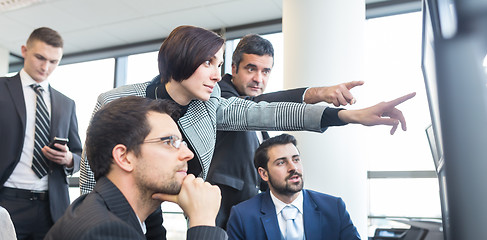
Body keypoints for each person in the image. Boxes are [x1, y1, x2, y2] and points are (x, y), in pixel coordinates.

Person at [79, 25, 414, 237]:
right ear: (181, 59)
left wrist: (348, 116)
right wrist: (84, 217)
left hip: (154, 211)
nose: (215, 75)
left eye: (219, 65)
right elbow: (91, 172)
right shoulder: (116, 100)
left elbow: (268, 112)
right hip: (114, 210)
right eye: (208, 63)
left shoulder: (211, 105)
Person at [207, 34, 364, 229]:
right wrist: (319, 94)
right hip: (220, 217)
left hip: (252, 219)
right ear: (233, 69)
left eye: (266, 71)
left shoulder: (260, 126)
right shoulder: (218, 94)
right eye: (251, 69)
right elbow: (252, 108)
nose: (258, 79)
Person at [45, 96, 227, 240]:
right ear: (124, 157)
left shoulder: (114, 212)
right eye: (170, 141)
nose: (188, 154)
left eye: (182, 143)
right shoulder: (104, 231)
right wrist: (203, 221)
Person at [0, 27, 82, 240]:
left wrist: (68, 159)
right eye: (40, 57)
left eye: (54, 61)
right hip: (6, 200)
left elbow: (78, 153)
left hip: (51, 207)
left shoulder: (66, 104)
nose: (46, 67)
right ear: (24, 50)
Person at [226, 133, 361, 240]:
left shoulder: (334, 207)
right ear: (264, 174)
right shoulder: (243, 215)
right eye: (281, 163)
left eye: (296, 159)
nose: (293, 167)